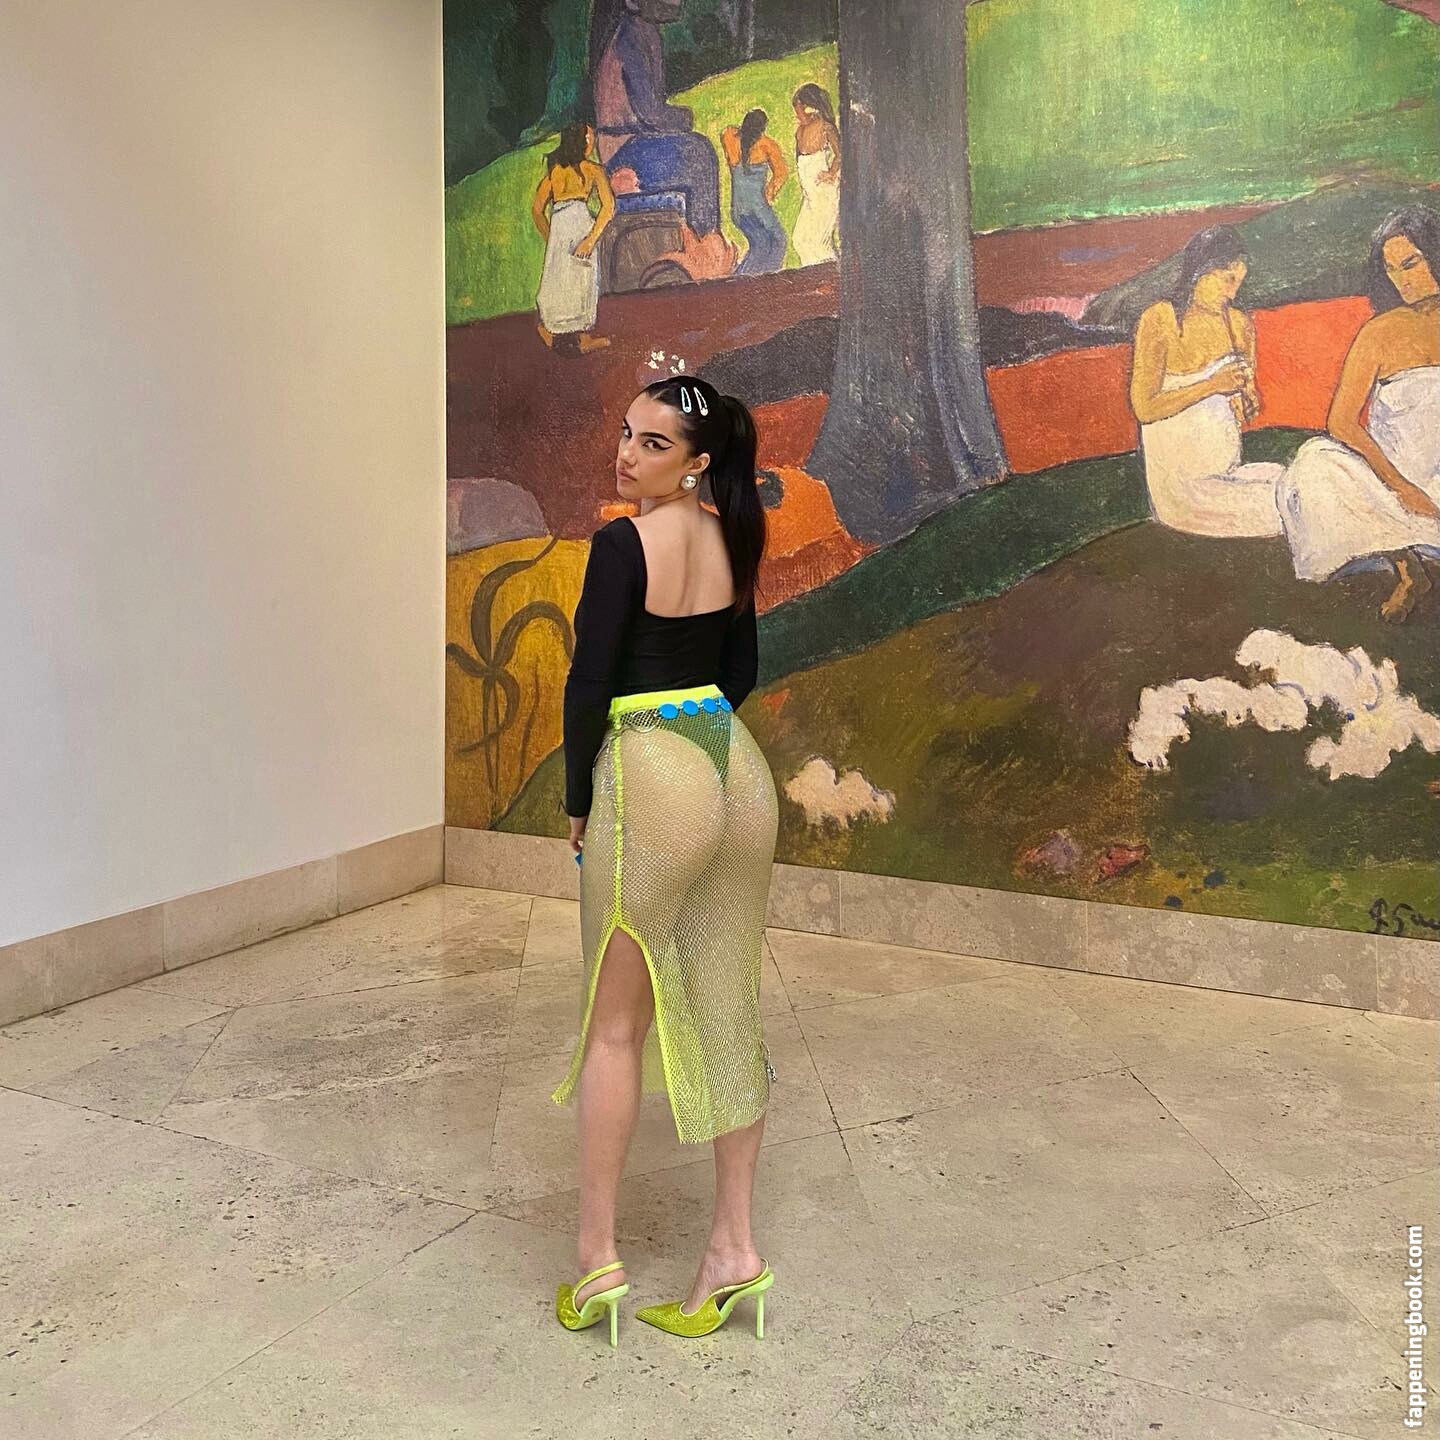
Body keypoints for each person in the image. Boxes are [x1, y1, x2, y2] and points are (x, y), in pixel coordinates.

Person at [552, 375, 780, 1344]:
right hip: (736, 768)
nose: (626, 454)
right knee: (728, 1007)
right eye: (626, 433)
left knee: (615, 1029)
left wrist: (577, 799)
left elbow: (588, 683)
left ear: (695, 463)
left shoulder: (621, 546)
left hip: (652, 770)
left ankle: (596, 1261)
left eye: (653, 444)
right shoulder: (731, 539)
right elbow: (741, 671)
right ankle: (734, 1250)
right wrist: (699, 722)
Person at [1277, 207, 1440, 622]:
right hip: (1384, 481)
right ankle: (1406, 564)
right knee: (1314, 462)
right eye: (1391, 270)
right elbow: (1341, 421)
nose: (1402, 280)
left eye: (1411, 264)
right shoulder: (1380, 332)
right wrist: (1401, 487)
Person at [1129, 225, 1285, 538]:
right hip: (1183, 490)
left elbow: (1243, 399)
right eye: (1228, 279)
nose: (1233, 293)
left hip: (1229, 473)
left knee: (1305, 478)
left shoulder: (1239, 325)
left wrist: (1246, 399)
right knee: (1296, 501)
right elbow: (1144, 408)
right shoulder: (1161, 319)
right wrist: (1212, 385)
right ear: (1200, 270)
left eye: (1239, 282)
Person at [530, 123, 616, 353]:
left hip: (562, 227)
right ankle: (571, 334)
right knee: (574, 278)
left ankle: (555, 331)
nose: (593, 142)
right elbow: (608, 208)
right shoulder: (592, 170)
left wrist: (552, 236)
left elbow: (537, 210)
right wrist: (590, 239)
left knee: (564, 277)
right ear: (582, 141)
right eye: (590, 137)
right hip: (578, 227)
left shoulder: (556, 172)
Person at [721, 109, 788, 276]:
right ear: (762, 129)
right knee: (778, 240)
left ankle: (745, 279)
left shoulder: (729, 137)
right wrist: (770, 192)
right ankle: (762, 279)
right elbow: (781, 173)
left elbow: (727, 135)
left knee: (760, 244)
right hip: (758, 208)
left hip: (738, 209)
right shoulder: (767, 145)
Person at [791, 83, 840, 266]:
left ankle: (831, 276)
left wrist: (832, 172)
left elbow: (840, 154)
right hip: (810, 196)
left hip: (824, 194)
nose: (797, 116)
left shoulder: (825, 127)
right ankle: (813, 276)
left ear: (810, 108)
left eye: (799, 111)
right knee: (800, 240)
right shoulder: (800, 131)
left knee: (819, 242)